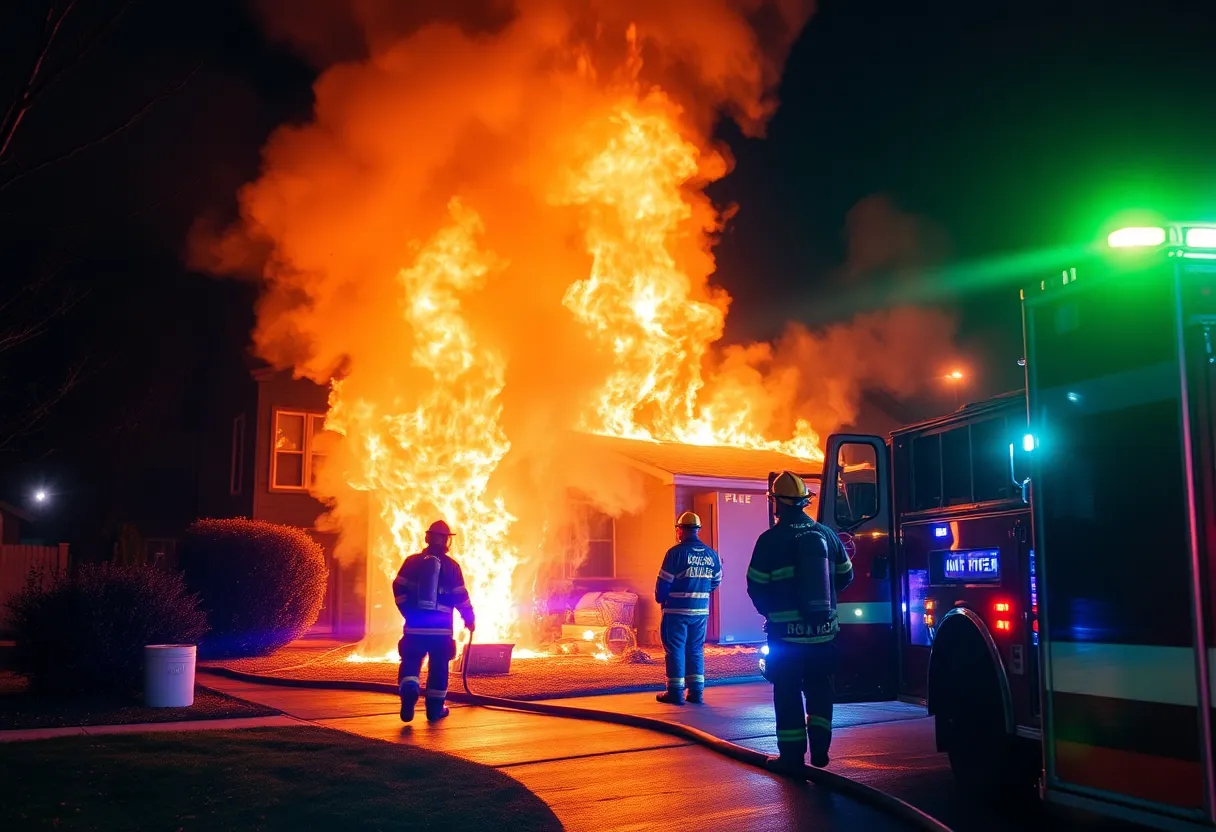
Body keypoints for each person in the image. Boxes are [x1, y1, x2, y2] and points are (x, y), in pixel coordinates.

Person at [747, 471, 853, 772]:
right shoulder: (827, 535)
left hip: (786, 640)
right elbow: (846, 576)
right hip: (823, 637)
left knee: (787, 693)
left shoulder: (770, 540)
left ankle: (792, 759)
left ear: (777, 503)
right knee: (820, 690)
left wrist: (772, 614)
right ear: (805, 502)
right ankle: (820, 751)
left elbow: (755, 585)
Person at [392, 519, 475, 723]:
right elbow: (461, 597)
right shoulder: (452, 567)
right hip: (441, 631)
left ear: (427, 538)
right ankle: (434, 709)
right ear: (447, 541)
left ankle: (410, 688)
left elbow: (398, 588)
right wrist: (469, 618)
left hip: (415, 628)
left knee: (411, 660)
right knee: (439, 666)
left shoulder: (411, 562)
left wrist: (408, 612)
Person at [654, 511, 722, 705]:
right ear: (697, 530)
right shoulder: (711, 554)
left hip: (676, 611)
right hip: (700, 612)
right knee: (695, 649)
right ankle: (696, 693)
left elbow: (663, 584)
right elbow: (716, 581)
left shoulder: (676, 553)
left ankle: (675, 693)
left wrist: (661, 599)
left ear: (680, 530)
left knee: (675, 649)